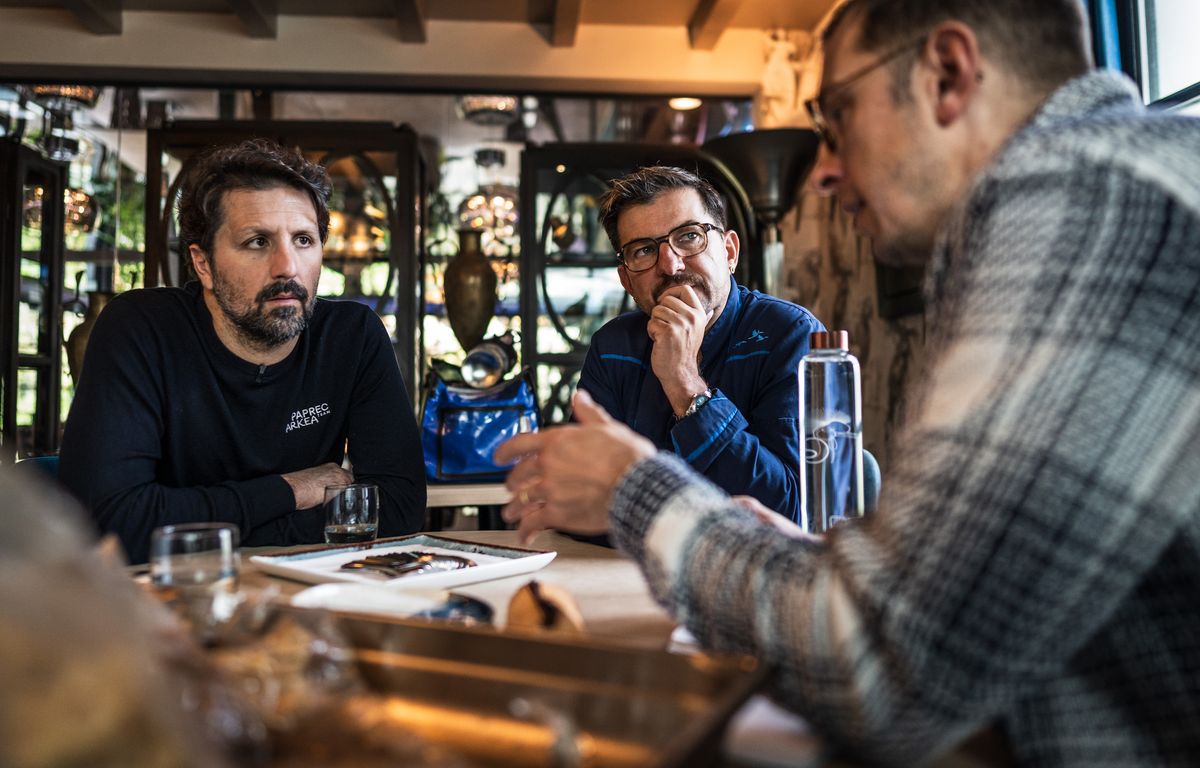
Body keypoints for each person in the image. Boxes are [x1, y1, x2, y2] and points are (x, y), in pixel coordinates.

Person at [496, 0, 1200, 764]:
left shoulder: (1092, 209)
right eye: (642, 253)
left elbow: (882, 667)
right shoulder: (1115, 186)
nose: (824, 172)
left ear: (948, 75)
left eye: (836, 117)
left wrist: (636, 487)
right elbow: (955, 611)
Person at [60, 139, 426, 563]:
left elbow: (399, 510)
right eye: (257, 241)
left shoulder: (352, 336)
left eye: (304, 240)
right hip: (168, 604)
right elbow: (111, 526)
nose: (287, 267)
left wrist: (209, 527)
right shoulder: (141, 330)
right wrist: (291, 490)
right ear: (203, 264)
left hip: (305, 598)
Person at [578, 165, 825, 524]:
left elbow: (790, 512)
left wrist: (685, 383)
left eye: (689, 236)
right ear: (627, 281)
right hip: (621, 574)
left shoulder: (791, 336)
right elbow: (581, 500)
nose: (670, 264)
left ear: (729, 252)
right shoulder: (612, 347)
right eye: (644, 250)